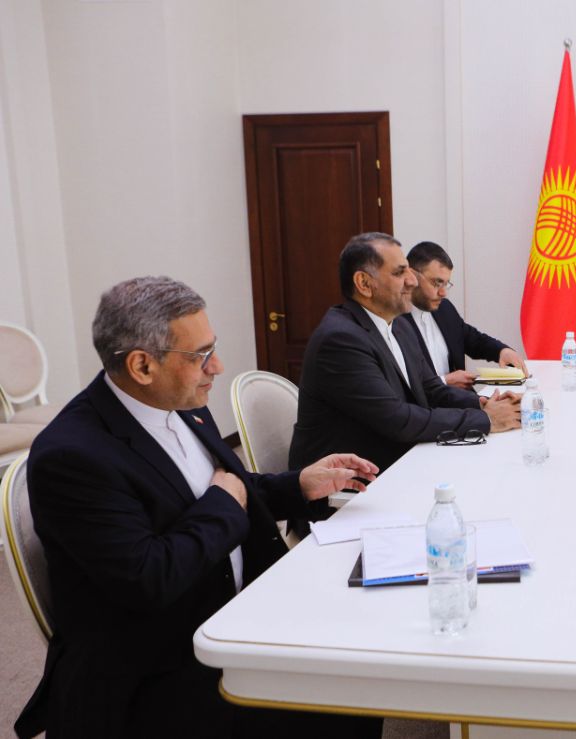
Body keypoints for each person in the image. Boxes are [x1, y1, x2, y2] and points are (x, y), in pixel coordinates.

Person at [16, 276, 380, 739]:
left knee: (362, 644)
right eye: (201, 355)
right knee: (346, 692)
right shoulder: (73, 455)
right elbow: (149, 577)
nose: (217, 366)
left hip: (235, 610)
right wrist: (224, 504)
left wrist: (299, 485)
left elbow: (227, 488)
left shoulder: (182, 402)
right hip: (159, 666)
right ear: (142, 365)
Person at [288, 232, 521, 474]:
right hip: (349, 481)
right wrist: (487, 420)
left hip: (397, 459)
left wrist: (483, 404)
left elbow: (431, 389)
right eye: (400, 273)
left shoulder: (398, 324)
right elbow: (397, 419)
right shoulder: (340, 340)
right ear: (364, 284)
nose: (412, 281)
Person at [402, 241, 528, 390]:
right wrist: (444, 381)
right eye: (437, 283)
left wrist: (501, 351)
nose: (443, 293)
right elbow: (400, 386)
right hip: (427, 404)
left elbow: (472, 339)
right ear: (412, 275)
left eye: (446, 284)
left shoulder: (444, 308)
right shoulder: (394, 321)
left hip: (463, 400)